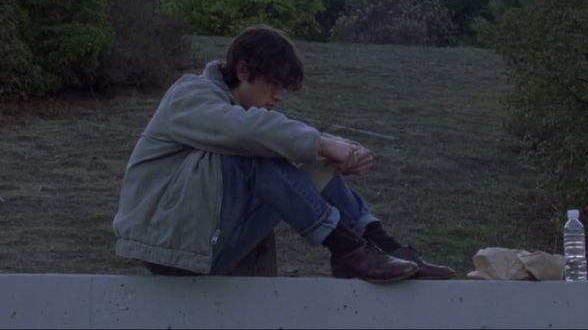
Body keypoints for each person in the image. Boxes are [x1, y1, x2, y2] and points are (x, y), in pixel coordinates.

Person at [113, 24, 455, 283]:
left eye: (284, 88)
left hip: (212, 245)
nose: (279, 96)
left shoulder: (247, 117)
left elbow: (267, 132)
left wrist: (335, 151)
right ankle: (346, 248)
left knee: (293, 152)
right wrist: (322, 143)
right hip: (169, 244)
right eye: (273, 84)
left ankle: (378, 242)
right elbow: (244, 130)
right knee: (259, 150)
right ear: (243, 71)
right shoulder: (189, 94)